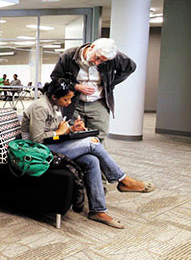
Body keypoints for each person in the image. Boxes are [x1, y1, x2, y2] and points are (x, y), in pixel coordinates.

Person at [20, 78, 155, 228]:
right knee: (92, 142)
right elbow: (36, 140)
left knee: (92, 160)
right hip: (38, 153)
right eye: (66, 99)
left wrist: (71, 129)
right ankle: (122, 180)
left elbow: (50, 132)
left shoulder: (51, 105)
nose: (69, 103)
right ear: (54, 96)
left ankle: (98, 210)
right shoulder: (40, 107)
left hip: (49, 147)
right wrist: (59, 131)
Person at [50, 38, 136, 142]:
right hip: (73, 102)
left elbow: (130, 67)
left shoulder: (113, 57)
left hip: (98, 102)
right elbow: (56, 77)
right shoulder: (68, 55)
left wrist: (110, 84)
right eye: (97, 58)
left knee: (98, 137)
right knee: (72, 136)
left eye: (102, 61)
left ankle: (96, 158)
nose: (97, 63)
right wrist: (76, 86)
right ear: (92, 47)